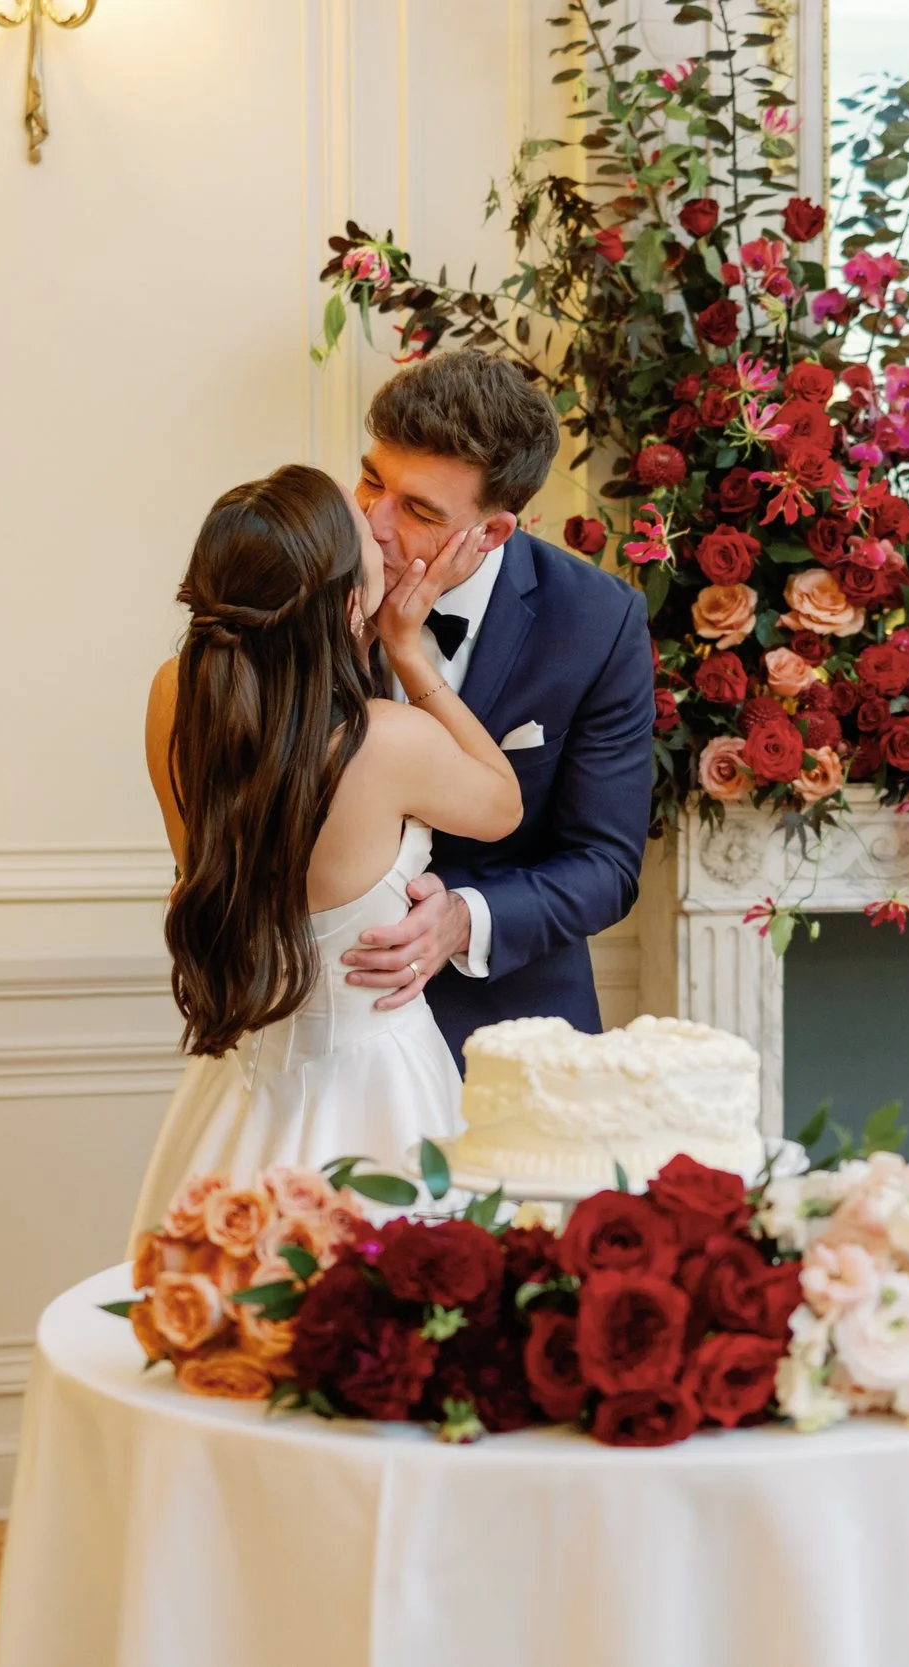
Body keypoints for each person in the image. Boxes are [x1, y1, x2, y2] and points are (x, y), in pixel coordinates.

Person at [123, 464, 521, 1248]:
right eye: (360, 523)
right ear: (347, 603)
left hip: (237, 1086)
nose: (378, 522)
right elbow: (501, 802)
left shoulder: (175, 694)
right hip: (380, 1089)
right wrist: (410, 653)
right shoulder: (388, 742)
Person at [339, 351, 657, 1060]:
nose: (375, 523)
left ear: (493, 532)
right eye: (370, 480)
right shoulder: (303, 579)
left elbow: (605, 862)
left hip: (513, 1037)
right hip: (326, 1026)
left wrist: (462, 919)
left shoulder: (596, 622)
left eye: (418, 509)